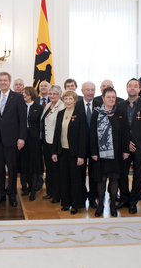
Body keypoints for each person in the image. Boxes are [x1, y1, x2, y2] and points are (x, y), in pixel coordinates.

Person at [0, 71, 27, 207]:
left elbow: (23, 120)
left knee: (12, 168)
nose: (2, 82)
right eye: (0, 80)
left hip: (12, 140)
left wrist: (21, 138)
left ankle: (12, 195)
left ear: (9, 82)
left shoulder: (18, 97)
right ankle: (1, 194)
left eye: (5, 80)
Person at [116, 78, 141, 214]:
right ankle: (124, 199)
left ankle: (133, 202)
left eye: (135, 86)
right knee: (122, 174)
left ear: (139, 89)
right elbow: (117, 128)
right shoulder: (119, 105)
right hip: (124, 147)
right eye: (130, 86)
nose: (132, 88)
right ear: (127, 89)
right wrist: (126, 143)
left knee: (138, 175)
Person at [91, 87, 130, 217]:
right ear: (103, 98)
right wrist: (94, 152)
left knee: (114, 180)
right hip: (101, 155)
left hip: (117, 154)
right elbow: (92, 135)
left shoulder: (120, 113)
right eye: (108, 97)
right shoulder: (96, 113)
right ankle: (100, 205)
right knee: (101, 180)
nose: (111, 99)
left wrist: (126, 150)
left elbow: (125, 134)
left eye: (113, 97)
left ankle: (113, 205)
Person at [52, 90, 87, 214]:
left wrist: (81, 155)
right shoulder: (60, 113)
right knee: (64, 178)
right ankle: (66, 203)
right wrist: (54, 152)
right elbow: (57, 134)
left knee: (76, 180)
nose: (68, 101)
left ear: (75, 100)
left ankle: (76, 205)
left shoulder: (80, 114)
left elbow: (83, 137)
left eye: (70, 99)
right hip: (62, 152)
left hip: (75, 153)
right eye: (65, 99)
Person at [77, 81, 102, 209]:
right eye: (88, 90)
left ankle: (93, 198)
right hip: (80, 147)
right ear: (82, 91)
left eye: (93, 90)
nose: (90, 92)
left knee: (94, 174)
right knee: (80, 173)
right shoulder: (76, 106)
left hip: (95, 147)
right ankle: (81, 198)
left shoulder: (100, 105)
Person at [41, 85, 65, 203]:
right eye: (50, 94)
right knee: (49, 169)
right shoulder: (48, 105)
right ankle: (49, 192)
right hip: (47, 142)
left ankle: (57, 195)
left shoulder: (62, 106)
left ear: (60, 94)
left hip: (56, 143)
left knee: (56, 170)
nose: (52, 96)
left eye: (55, 93)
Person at [20, 87, 43, 201]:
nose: (24, 95)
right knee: (25, 164)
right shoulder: (20, 106)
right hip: (23, 139)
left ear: (32, 95)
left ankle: (33, 190)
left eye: (26, 93)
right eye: (23, 93)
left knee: (34, 165)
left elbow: (41, 125)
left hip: (35, 140)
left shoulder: (39, 108)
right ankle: (28, 187)